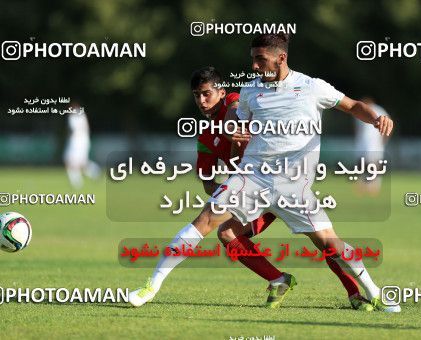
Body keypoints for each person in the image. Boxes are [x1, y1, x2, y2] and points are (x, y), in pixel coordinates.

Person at [129, 34, 399, 312]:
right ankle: (152, 286)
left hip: (293, 184)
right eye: (253, 60)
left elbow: (353, 106)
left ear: (281, 58)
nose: (255, 66)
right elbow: (237, 126)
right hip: (252, 177)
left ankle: (374, 293)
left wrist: (377, 118)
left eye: (261, 59)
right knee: (206, 220)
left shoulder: (312, 87)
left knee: (329, 243)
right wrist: (232, 135)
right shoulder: (250, 91)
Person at [354, 97, 391, 195]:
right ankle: (362, 185)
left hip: (375, 142)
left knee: (375, 165)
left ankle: (374, 186)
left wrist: (383, 140)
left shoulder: (379, 110)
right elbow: (358, 130)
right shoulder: (360, 112)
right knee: (362, 164)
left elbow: (388, 125)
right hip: (363, 143)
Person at [63, 101, 100, 189]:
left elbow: (78, 129)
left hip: (78, 141)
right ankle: (93, 173)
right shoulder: (80, 114)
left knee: (74, 162)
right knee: (77, 162)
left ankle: (78, 182)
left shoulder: (75, 116)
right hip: (79, 141)